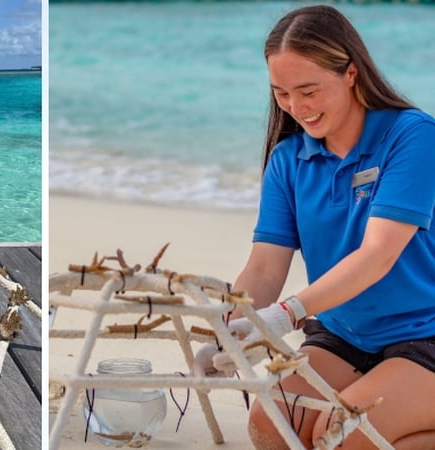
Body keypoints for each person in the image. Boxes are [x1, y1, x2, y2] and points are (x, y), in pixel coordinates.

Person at [193, 4, 435, 449]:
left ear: (351, 73)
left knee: (343, 436)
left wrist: (286, 314)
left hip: (425, 333)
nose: (296, 107)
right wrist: (232, 329)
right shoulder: (289, 160)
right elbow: (265, 267)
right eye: (282, 93)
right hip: (344, 332)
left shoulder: (413, 135)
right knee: (270, 426)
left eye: (308, 90)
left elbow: (379, 253)